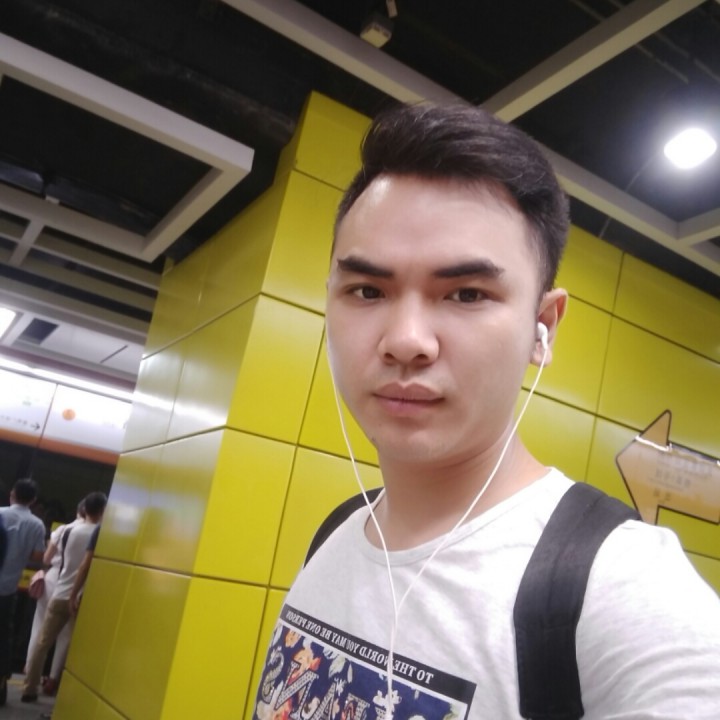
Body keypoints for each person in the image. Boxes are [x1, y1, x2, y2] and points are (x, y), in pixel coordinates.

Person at [252, 103, 720, 719]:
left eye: (467, 294)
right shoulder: (337, 533)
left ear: (542, 328)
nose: (406, 341)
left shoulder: (621, 588)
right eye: (367, 290)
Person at [21, 491, 107, 703]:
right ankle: (54, 681)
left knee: (42, 641)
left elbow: (49, 559)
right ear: (103, 511)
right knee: (68, 641)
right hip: (83, 596)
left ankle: (29, 687)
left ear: (83, 509)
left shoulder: (67, 530)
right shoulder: (102, 535)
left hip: (59, 590)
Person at [25, 499, 87, 696]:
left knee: (39, 631)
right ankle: (52, 679)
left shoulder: (62, 530)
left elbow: (46, 558)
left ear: (78, 511)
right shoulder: (96, 534)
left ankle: (30, 674)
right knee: (65, 635)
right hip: (77, 587)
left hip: (53, 580)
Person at [0, 479, 46, 705]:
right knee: (3, 637)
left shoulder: (1, 513)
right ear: (33, 500)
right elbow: (38, 556)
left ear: (12, 494)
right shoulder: (37, 525)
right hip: (7, 589)